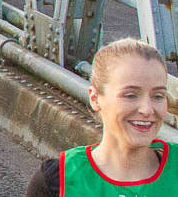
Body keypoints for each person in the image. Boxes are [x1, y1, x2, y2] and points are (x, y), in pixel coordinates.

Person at [25, 38, 174, 197]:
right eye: (130, 95)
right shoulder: (59, 180)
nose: (147, 109)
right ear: (95, 98)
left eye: (158, 96)